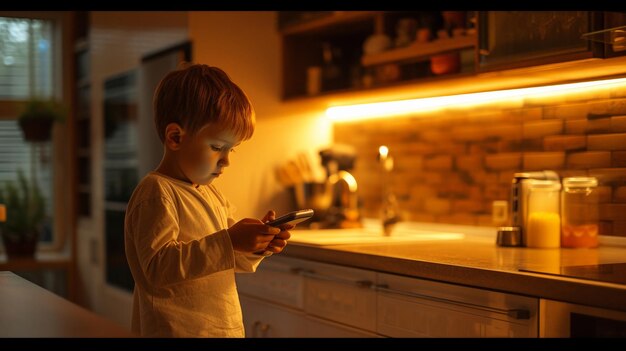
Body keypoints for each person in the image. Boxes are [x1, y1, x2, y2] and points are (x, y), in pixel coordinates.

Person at [124, 63, 292, 337]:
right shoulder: (157, 193)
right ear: (175, 137)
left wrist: (257, 245)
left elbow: (226, 257)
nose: (226, 160)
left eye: (231, 150)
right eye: (217, 147)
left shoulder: (210, 193)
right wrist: (229, 241)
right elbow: (156, 268)